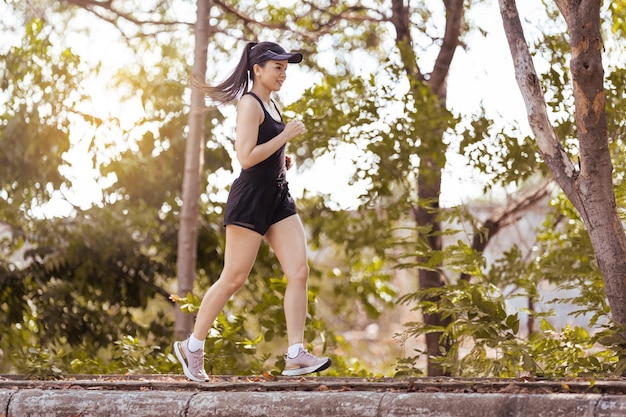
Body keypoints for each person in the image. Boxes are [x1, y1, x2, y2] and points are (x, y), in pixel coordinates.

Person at [173, 41, 332, 382]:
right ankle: (193, 346)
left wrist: (281, 158)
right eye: (278, 67)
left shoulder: (272, 104)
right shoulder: (249, 103)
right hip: (250, 199)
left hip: (278, 196)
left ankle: (295, 355)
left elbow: (263, 149)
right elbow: (245, 157)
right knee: (234, 277)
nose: (284, 73)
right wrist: (285, 136)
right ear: (257, 69)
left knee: (299, 271)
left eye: (286, 68)